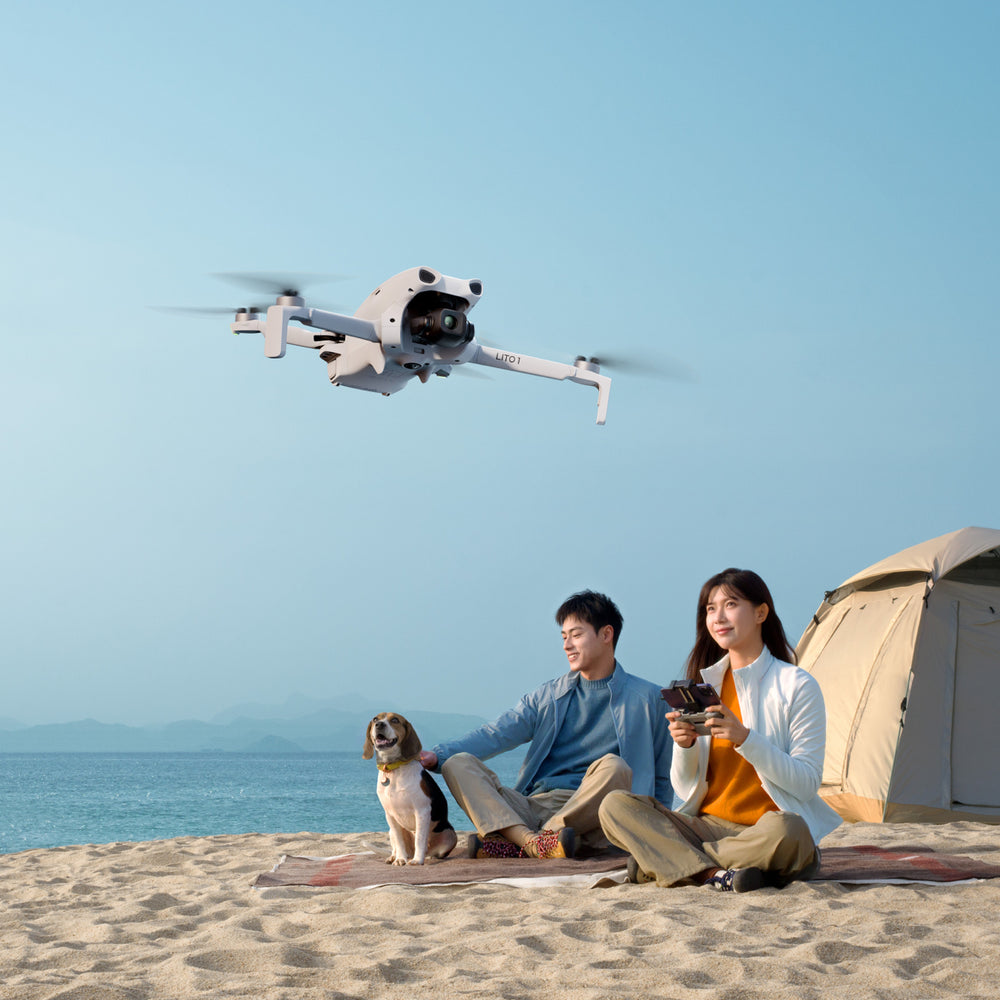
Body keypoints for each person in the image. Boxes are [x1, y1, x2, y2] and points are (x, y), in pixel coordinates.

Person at [598, 568, 841, 892]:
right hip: (707, 826)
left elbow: (807, 783)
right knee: (614, 805)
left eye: (730, 604)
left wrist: (746, 739)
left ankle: (673, 862)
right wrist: (684, 748)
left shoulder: (797, 686)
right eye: (711, 609)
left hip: (768, 828)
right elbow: (685, 789)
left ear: (760, 612)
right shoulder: (704, 687)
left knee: (791, 831)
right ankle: (711, 871)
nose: (718, 616)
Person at [420, 590, 673, 860]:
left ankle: (518, 841)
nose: (567, 645)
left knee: (615, 767)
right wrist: (439, 755)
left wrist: (658, 830)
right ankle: (537, 842)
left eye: (576, 635)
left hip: (596, 812)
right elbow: (496, 733)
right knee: (458, 763)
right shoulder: (549, 696)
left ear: (606, 634)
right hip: (533, 807)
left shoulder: (650, 699)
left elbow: (662, 778)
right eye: (564, 637)